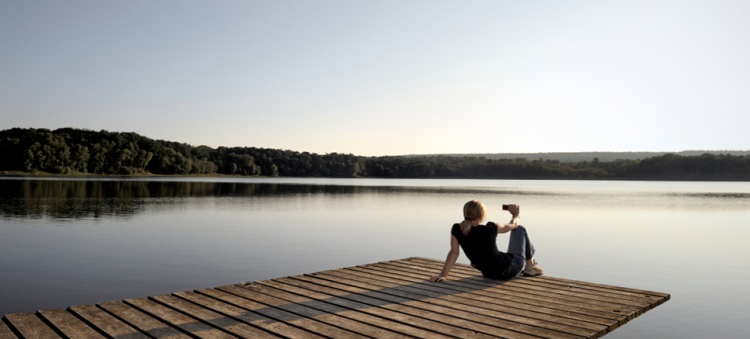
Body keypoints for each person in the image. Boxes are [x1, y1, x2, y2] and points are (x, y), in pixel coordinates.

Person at [429, 200, 543, 282]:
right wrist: (516, 215)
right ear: (482, 215)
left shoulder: (457, 228)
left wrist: (443, 275)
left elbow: (454, 253)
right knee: (520, 229)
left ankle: (530, 265)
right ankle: (530, 265)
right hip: (509, 270)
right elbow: (514, 225)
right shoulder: (490, 228)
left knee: (481, 256)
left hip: (488, 273)